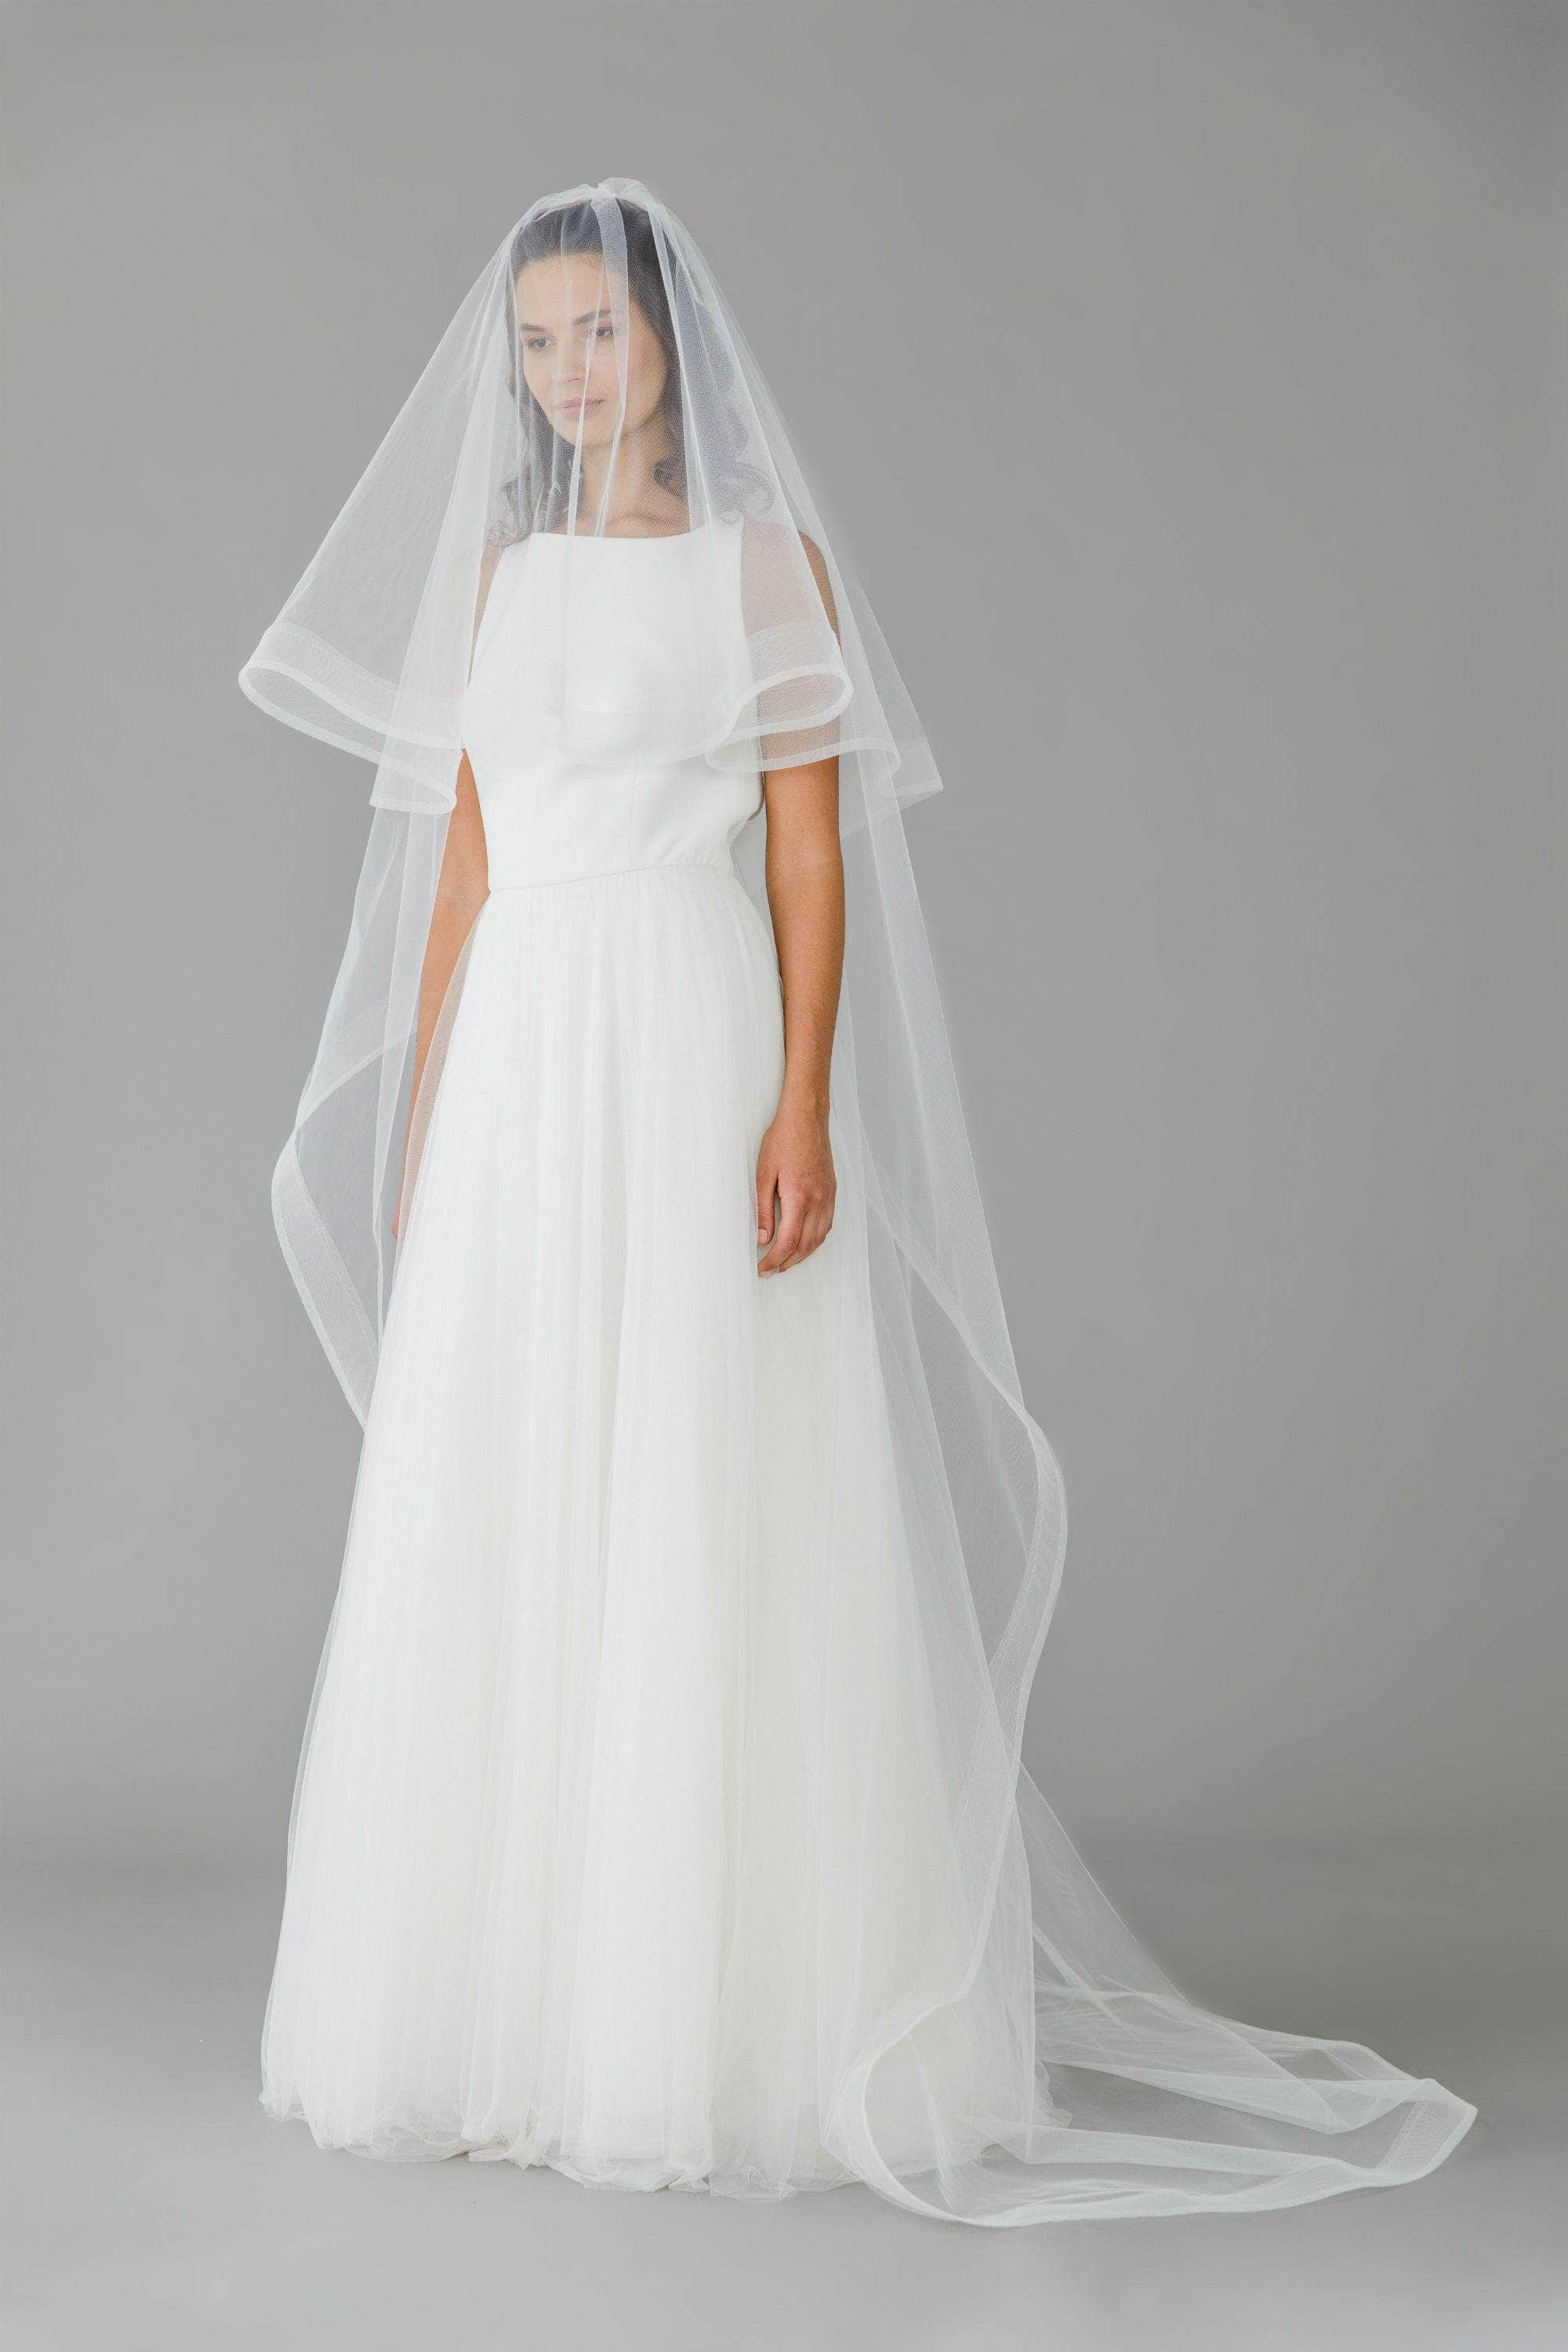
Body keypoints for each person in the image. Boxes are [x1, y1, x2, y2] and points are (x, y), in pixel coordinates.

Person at [241, 179, 1475, 2223]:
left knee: (703, 1474)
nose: (567, 372)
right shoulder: (493, 583)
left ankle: (698, 2021)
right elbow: (466, 855)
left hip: (685, 1030)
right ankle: (495, 2014)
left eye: (600, 332)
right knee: (508, 1478)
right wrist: (426, 1094)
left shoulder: (764, 573)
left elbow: (806, 857)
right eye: (536, 342)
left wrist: (801, 1101)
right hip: (528, 1041)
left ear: (672, 344)